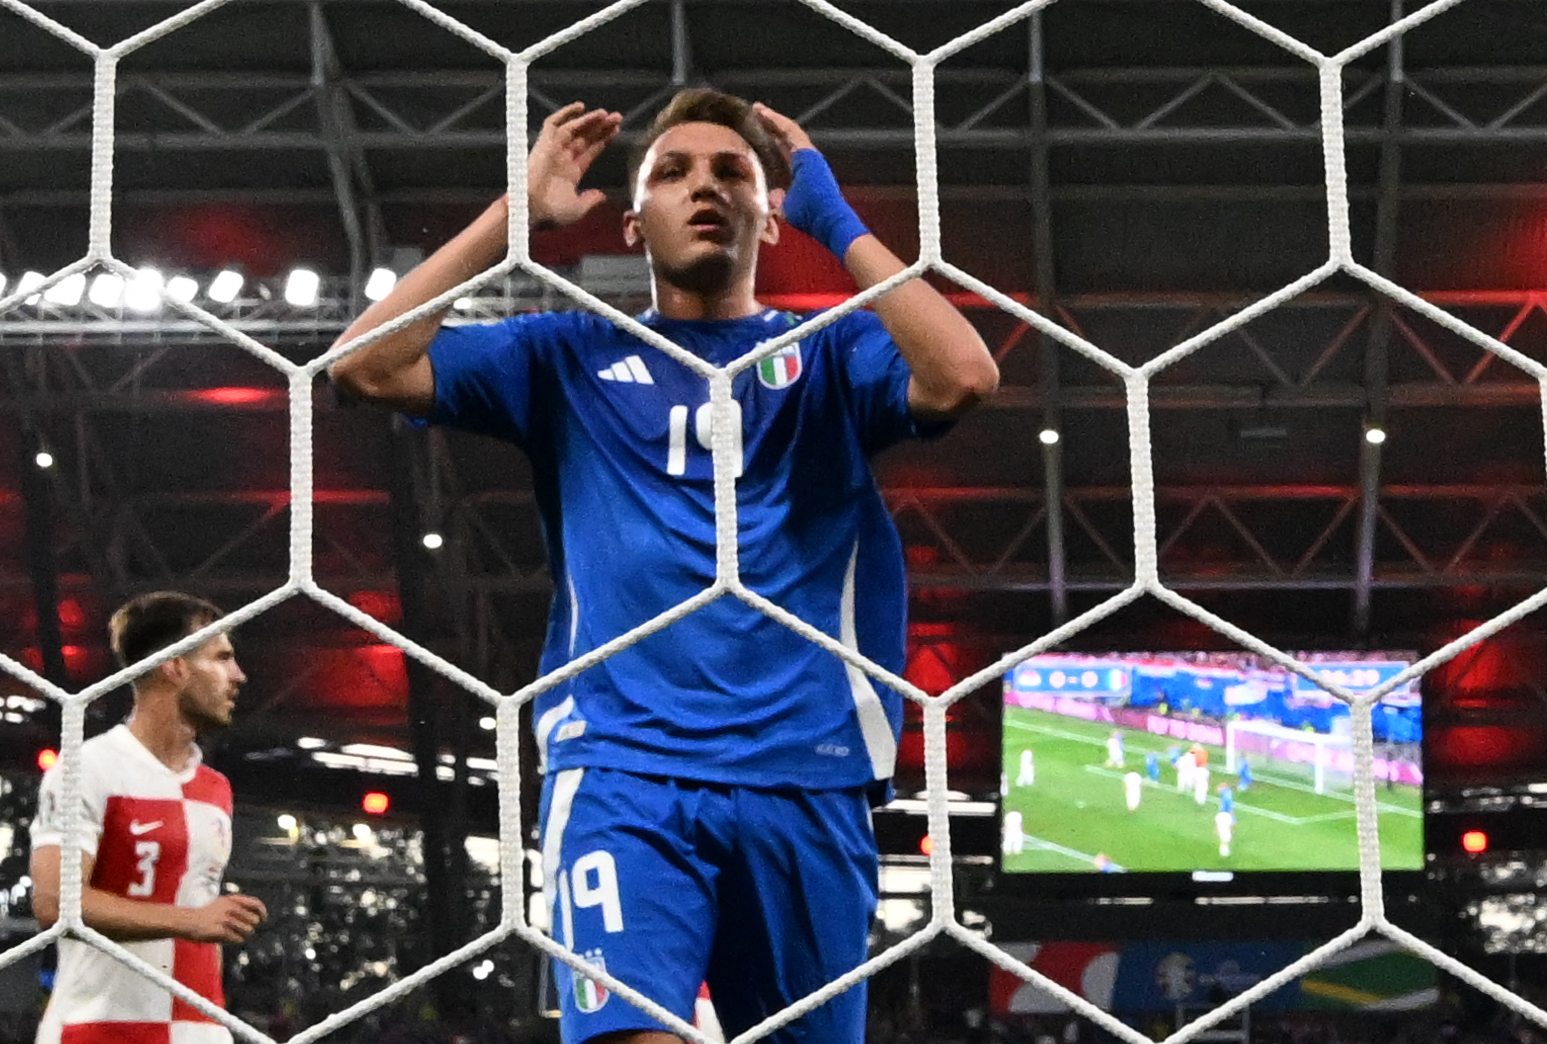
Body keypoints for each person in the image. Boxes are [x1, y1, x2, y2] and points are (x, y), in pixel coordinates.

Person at [328, 89, 996, 1044]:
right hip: (621, 767)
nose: (705, 188)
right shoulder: (568, 352)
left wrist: (839, 226)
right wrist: (514, 218)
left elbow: (965, 375)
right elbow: (362, 366)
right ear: (633, 224)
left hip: (805, 776)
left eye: (733, 173)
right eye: (674, 173)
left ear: (773, 213)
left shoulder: (835, 352)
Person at [30, 591, 267, 1044]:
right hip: (99, 1029)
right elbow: (54, 904)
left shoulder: (215, 787)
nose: (239, 675)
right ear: (173, 667)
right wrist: (192, 921)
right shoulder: (90, 767)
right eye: (221, 658)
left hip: (200, 1029)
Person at [1215, 784, 1236, 858]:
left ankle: (1223, 850)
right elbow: (1230, 809)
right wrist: (1233, 819)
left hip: (1221, 815)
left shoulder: (1225, 795)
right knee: (1226, 834)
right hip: (1225, 816)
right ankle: (1224, 851)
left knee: (1223, 833)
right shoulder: (1228, 795)